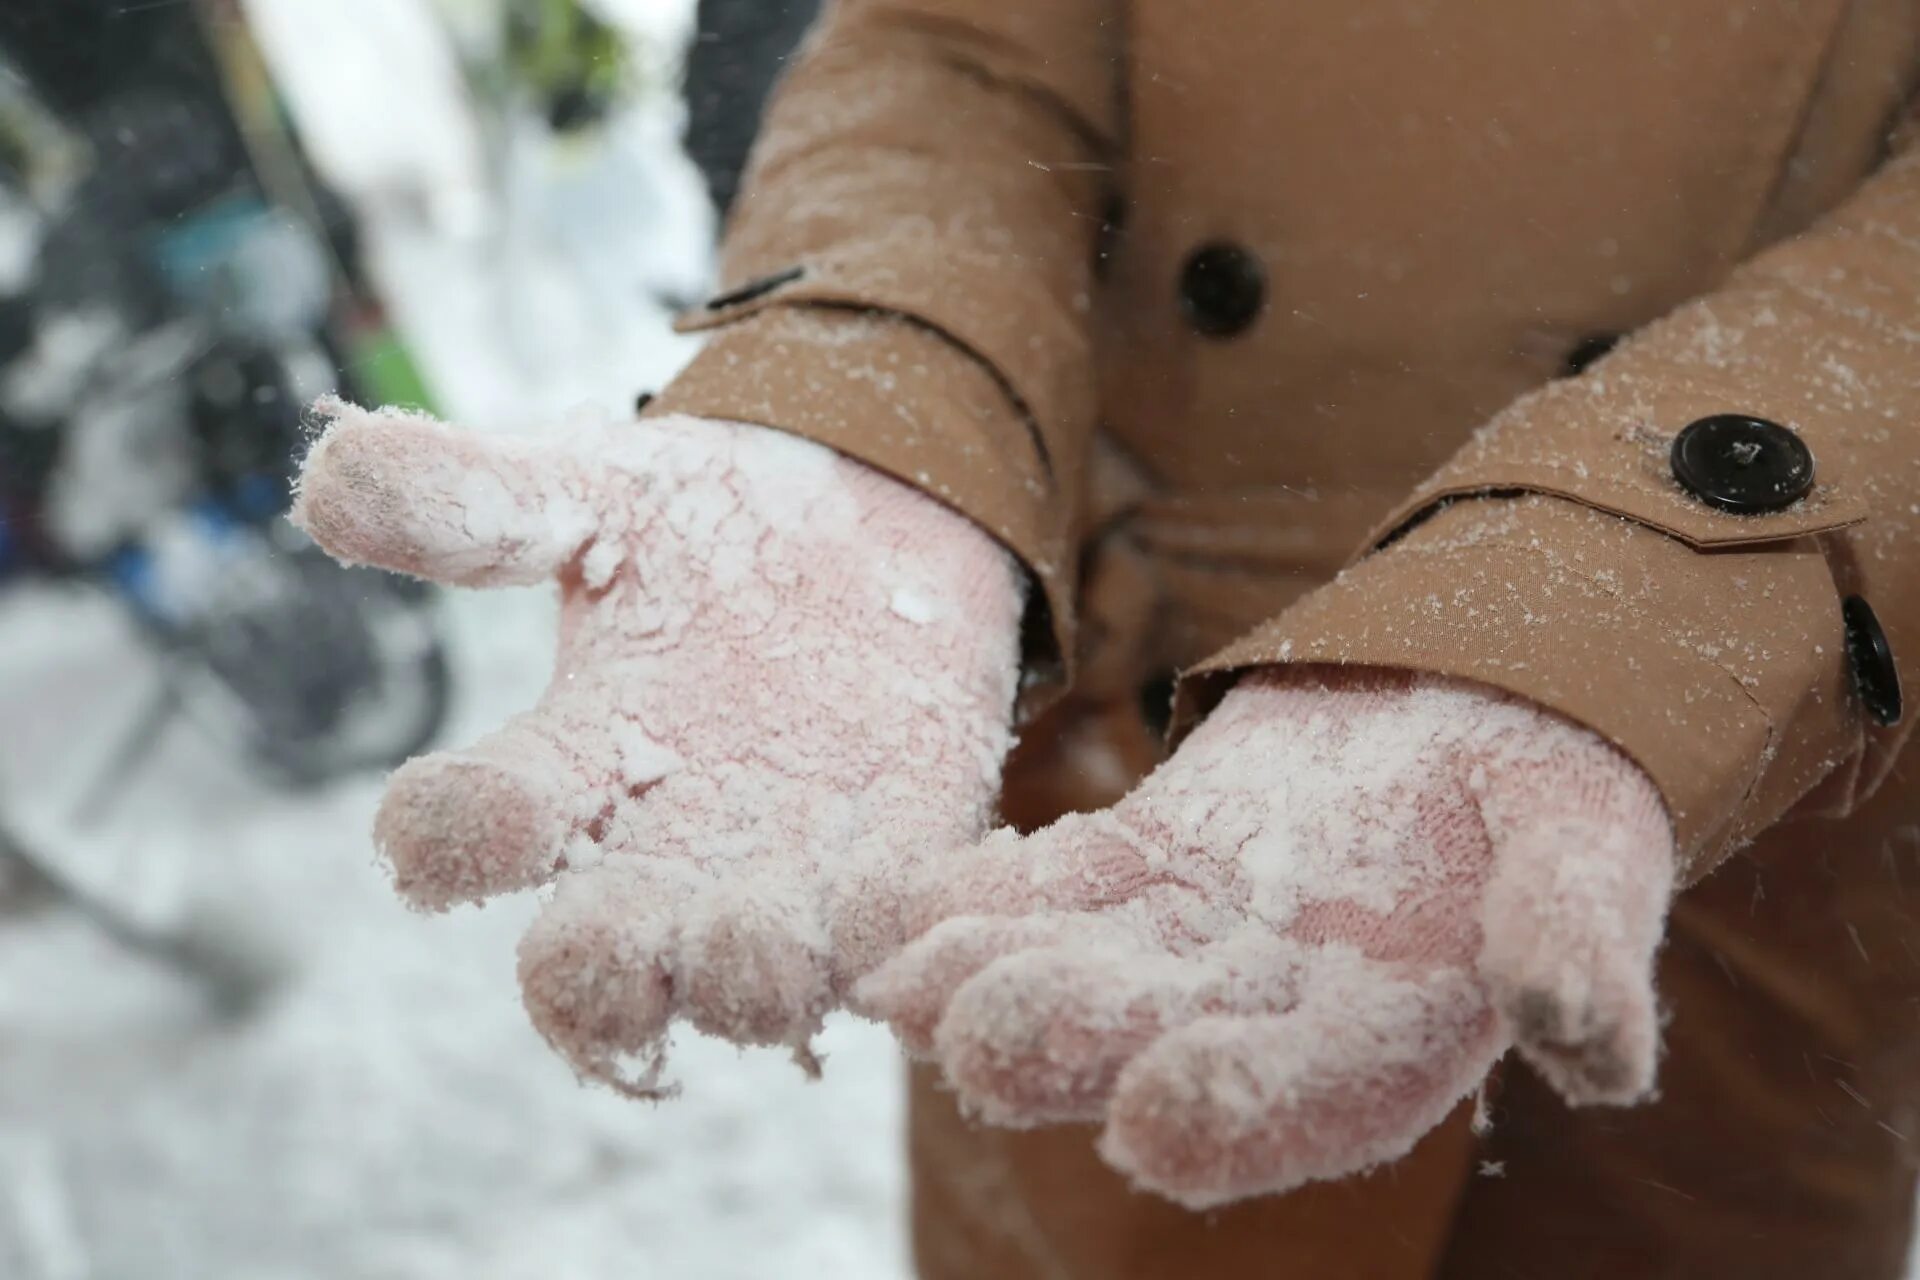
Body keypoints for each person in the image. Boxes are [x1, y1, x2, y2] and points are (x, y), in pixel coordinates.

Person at [290, 2, 1920, 1276]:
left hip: (1748, 800)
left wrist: (1633, 590)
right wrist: (881, 395)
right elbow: (963, 50)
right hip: (1129, 813)